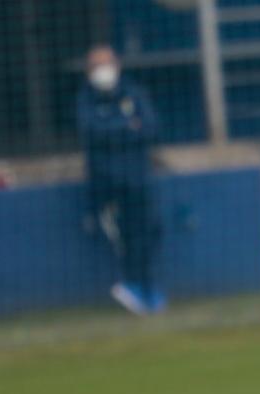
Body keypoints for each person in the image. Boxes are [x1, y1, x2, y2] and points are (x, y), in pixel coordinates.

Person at [77, 45, 163, 315]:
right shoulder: (85, 99)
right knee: (123, 236)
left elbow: (149, 127)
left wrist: (115, 130)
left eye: (107, 63)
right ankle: (131, 285)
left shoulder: (133, 92)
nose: (103, 70)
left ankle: (145, 288)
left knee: (149, 230)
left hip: (138, 178)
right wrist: (126, 127)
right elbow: (92, 132)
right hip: (107, 184)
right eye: (96, 65)